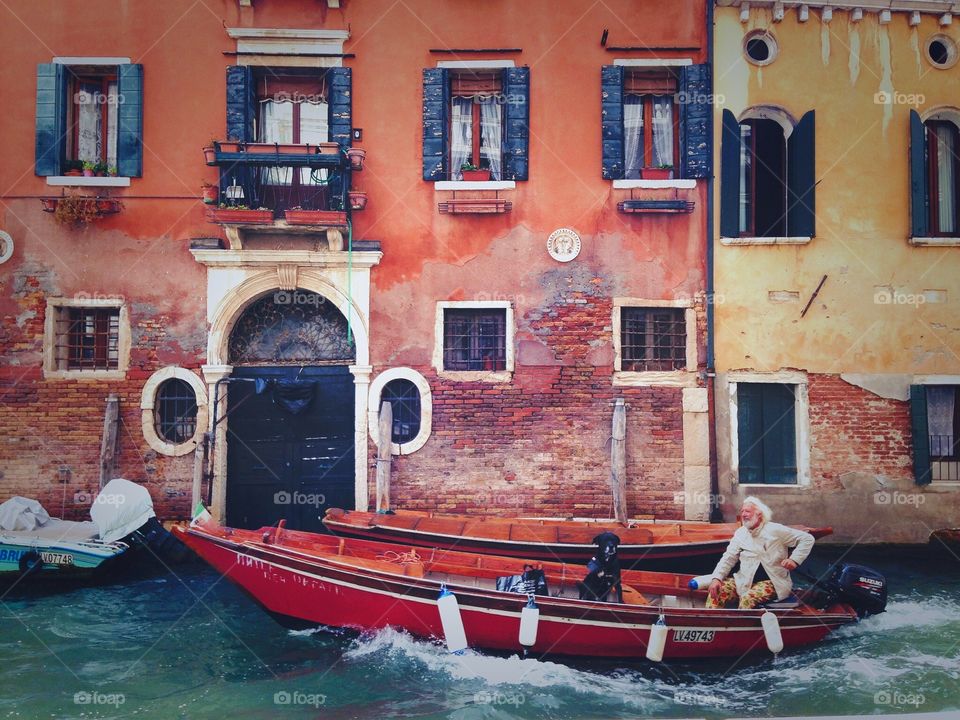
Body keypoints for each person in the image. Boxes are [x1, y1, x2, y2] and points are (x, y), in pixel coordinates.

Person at [706, 496, 814, 610]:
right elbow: (728, 558)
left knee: (748, 598)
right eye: (742, 511)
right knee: (716, 590)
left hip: (772, 582)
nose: (743, 514)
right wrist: (716, 578)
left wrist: (794, 560)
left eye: (747, 511)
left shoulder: (775, 530)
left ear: (759, 514)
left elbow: (807, 539)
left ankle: (741, 624)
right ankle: (709, 622)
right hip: (743, 581)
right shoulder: (740, 533)